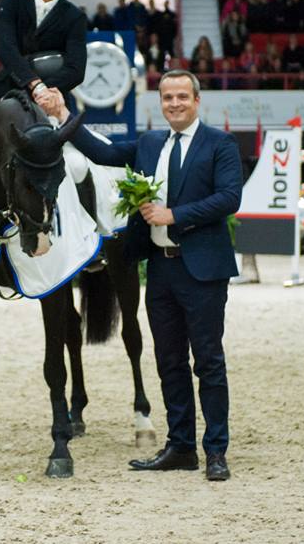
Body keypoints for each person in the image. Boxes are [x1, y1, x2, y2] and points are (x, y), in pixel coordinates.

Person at [47, 69, 241, 482]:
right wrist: (65, 114)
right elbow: (102, 153)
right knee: (168, 361)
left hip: (204, 269)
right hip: (159, 268)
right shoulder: (151, 143)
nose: (174, 104)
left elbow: (229, 198)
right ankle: (181, 447)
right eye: (167, 97)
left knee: (208, 362)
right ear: (160, 101)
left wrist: (175, 215)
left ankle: (216, 451)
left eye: (182, 97)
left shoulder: (220, 143)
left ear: (197, 100)